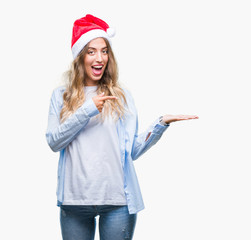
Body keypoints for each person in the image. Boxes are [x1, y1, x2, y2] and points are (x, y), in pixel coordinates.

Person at [46, 14, 198, 240]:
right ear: (80, 56)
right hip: (75, 200)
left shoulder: (121, 96)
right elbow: (54, 142)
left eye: (104, 51)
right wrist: (87, 109)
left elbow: (132, 151)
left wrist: (161, 124)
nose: (100, 58)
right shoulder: (62, 95)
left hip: (118, 202)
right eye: (91, 51)